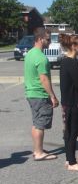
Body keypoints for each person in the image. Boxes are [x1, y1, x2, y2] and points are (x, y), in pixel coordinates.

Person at [24, 28, 59, 161]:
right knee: (40, 124)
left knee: (36, 122)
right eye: (48, 39)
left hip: (31, 93)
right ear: (40, 39)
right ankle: (39, 152)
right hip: (39, 94)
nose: (49, 42)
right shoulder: (40, 57)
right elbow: (44, 79)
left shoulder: (30, 53)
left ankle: (37, 149)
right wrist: (52, 96)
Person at [59, 33, 78, 172]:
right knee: (72, 133)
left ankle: (69, 158)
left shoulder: (64, 61)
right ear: (74, 46)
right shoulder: (72, 64)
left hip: (67, 103)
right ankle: (72, 162)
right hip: (74, 103)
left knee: (69, 132)